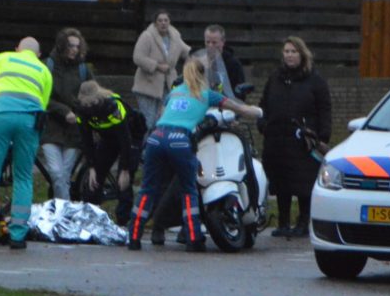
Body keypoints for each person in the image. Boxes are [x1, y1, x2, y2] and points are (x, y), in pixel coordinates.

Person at [128, 57, 263, 252]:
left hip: (156, 138)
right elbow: (239, 108)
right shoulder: (207, 94)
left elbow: (161, 115)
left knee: (148, 189)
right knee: (188, 189)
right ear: (202, 75)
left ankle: (133, 236)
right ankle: (193, 238)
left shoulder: (174, 92)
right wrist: (259, 112)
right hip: (180, 140)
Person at [0, 37, 53, 251]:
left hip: (1, 116)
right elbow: (43, 103)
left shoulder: (2, 58)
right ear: (39, 55)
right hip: (30, 121)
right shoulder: (44, 71)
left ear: (16, 49)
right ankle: (18, 235)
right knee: (23, 175)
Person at [259, 36, 332, 239]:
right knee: (281, 182)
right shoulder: (275, 78)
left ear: (302, 54)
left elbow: (324, 109)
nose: (289, 55)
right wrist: (263, 123)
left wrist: (322, 136)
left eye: (293, 51)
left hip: (303, 142)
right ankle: (283, 222)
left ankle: (303, 221)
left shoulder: (315, 81)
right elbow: (263, 104)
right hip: (276, 140)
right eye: (286, 52)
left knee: (303, 183)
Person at [75, 80, 143, 226]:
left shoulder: (112, 106)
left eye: (90, 104)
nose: (87, 108)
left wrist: (125, 168)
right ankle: (91, 216)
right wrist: (92, 167)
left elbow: (125, 140)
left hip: (131, 135)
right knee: (94, 180)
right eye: (84, 105)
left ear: (97, 99)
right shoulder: (81, 110)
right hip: (108, 137)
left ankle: (123, 221)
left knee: (123, 181)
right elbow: (86, 140)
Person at [40, 28, 94, 200]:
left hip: (74, 130)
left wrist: (79, 111)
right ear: (62, 45)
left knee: (64, 174)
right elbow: (42, 96)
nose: (74, 50)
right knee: (56, 173)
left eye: (77, 47)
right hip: (51, 129)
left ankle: (61, 213)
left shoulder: (83, 69)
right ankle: (65, 213)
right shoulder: (48, 66)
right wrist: (64, 111)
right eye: (70, 45)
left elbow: (92, 94)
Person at [131, 10, 189, 126]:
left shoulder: (175, 36)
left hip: (168, 85)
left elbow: (186, 51)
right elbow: (137, 57)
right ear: (155, 23)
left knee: (164, 118)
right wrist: (157, 66)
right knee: (149, 120)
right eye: (160, 20)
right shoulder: (147, 36)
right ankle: (146, 143)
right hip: (147, 86)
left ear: (169, 22)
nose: (163, 23)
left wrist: (201, 59)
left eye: (166, 20)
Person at [203, 24, 246, 98]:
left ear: (223, 42)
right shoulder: (198, 62)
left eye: (214, 42)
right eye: (208, 42)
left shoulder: (233, 64)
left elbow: (239, 93)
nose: (210, 46)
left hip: (225, 106)